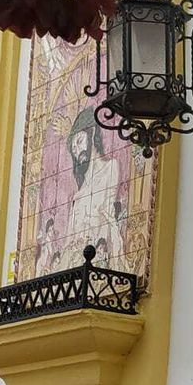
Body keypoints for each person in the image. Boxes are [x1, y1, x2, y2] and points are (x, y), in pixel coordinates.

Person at [60, 108, 125, 268]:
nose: (77, 151)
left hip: (100, 254)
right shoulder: (78, 195)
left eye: (79, 141)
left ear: (92, 133)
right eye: (73, 149)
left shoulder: (110, 167)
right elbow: (69, 241)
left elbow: (106, 213)